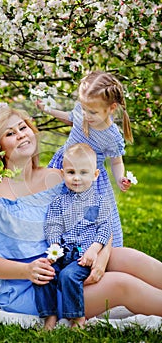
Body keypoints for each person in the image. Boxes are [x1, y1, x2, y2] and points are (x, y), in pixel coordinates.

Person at [0, 107, 162, 328]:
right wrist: (26, 270)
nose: (20, 135)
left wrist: (102, 257)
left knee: (126, 256)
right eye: (9, 133)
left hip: (70, 264)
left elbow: (99, 217)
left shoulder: (57, 179)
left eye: (23, 127)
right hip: (31, 287)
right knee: (121, 285)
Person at [38, 70, 133, 248]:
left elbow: (116, 161)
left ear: (111, 108)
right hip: (63, 166)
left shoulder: (111, 136)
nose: (87, 115)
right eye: (84, 109)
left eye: (93, 112)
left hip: (89, 177)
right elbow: (70, 118)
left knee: (87, 215)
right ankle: (51, 245)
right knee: (53, 206)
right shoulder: (83, 112)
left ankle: (84, 249)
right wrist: (47, 109)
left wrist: (120, 178)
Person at [34, 143, 112, 329]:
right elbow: (53, 226)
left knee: (69, 276)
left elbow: (105, 228)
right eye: (71, 172)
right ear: (63, 174)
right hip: (62, 254)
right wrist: (53, 250)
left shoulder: (100, 202)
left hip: (83, 257)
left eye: (83, 173)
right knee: (44, 275)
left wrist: (94, 249)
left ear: (95, 175)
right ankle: (49, 316)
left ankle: (77, 318)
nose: (77, 178)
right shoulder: (58, 203)